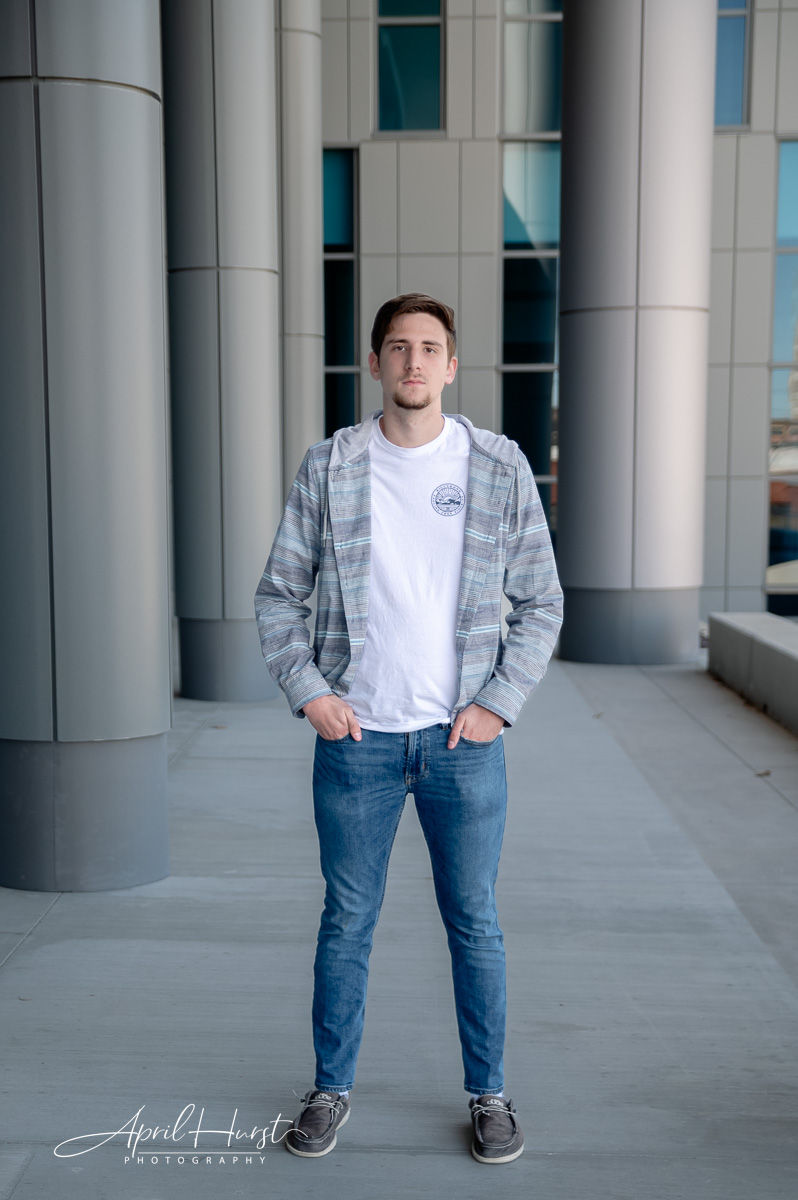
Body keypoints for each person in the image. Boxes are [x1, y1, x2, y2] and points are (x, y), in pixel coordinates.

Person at [254, 293, 563, 1163]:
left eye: (430, 348)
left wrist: (499, 701)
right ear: (377, 363)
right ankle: (330, 1088)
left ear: (453, 365)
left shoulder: (498, 467)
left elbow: (542, 598)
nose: (414, 363)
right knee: (346, 919)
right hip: (358, 743)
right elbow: (278, 594)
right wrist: (309, 689)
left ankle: (490, 1094)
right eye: (398, 347)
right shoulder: (331, 466)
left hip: (463, 745)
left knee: (474, 922)